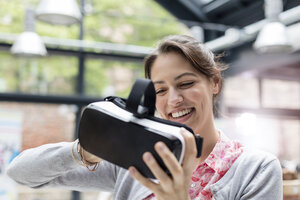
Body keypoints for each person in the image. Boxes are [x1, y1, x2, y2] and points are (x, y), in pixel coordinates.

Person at [6, 35, 283, 200]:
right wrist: (84, 151)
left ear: (214, 83)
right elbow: (20, 172)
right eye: (160, 90)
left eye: (186, 84)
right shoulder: (137, 159)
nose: (173, 99)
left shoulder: (255, 169)